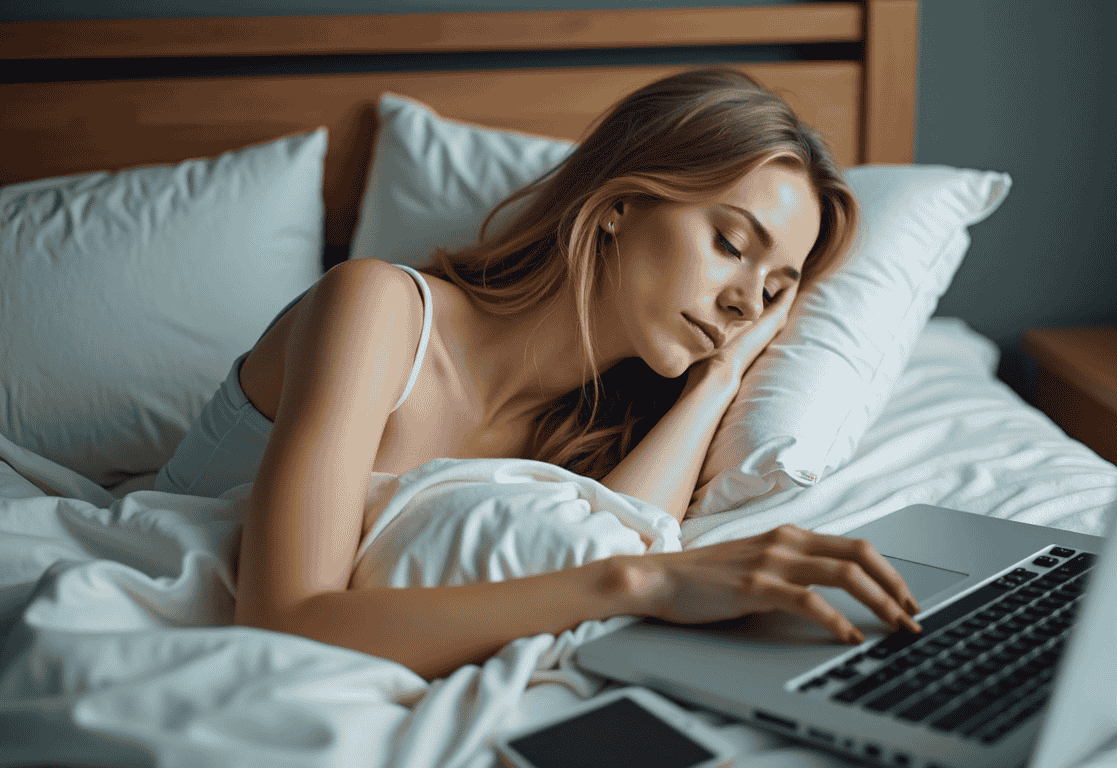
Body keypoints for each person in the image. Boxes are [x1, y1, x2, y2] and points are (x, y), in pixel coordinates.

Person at [155, 68, 922, 680]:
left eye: (776, 288)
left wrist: (720, 377)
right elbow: (284, 624)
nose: (745, 300)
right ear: (621, 202)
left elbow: (611, 543)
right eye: (729, 243)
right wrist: (641, 586)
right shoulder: (377, 312)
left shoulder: (596, 429)